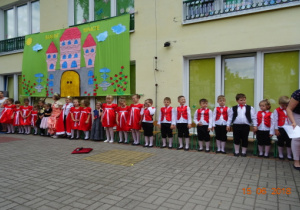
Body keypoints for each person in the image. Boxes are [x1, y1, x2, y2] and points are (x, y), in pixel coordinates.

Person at [272, 96, 293, 160]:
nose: (285, 106)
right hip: (281, 128)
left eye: (286, 105)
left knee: (289, 142)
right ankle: (280, 154)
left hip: (289, 128)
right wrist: (276, 129)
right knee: (280, 141)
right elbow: (275, 120)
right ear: (279, 103)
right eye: (283, 105)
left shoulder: (291, 110)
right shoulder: (277, 110)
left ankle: (289, 155)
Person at [287, 89, 300, 170]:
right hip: (297, 115)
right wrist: (293, 122)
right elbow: (289, 109)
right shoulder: (298, 93)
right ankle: (296, 161)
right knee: (297, 137)